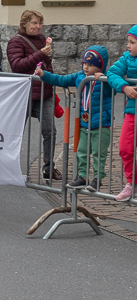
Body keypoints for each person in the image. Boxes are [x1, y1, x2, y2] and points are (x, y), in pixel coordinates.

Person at [35, 46, 111, 191]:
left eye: (91, 65)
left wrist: (103, 79)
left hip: (101, 124)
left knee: (98, 153)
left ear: (100, 66)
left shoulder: (106, 80)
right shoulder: (79, 76)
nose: (86, 67)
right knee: (81, 151)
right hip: (84, 123)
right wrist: (44, 74)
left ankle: (97, 179)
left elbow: (112, 91)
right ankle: (82, 177)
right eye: (84, 63)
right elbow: (61, 79)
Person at [6, 10, 59, 180]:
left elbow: (46, 65)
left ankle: (49, 168)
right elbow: (17, 65)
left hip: (44, 92)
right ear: (25, 24)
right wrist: (41, 53)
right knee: (16, 133)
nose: (38, 27)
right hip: (24, 94)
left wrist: (51, 80)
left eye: (40, 23)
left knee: (50, 131)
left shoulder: (43, 40)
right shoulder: (15, 42)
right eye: (34, 23)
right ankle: (8, 167)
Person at [107, 27, 137, 202]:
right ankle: (131, 184)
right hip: (132, 111)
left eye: (132, 43)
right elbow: (112, 73)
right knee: (125, 148)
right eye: (128, 42)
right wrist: (124, 87)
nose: (128, 46)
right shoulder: (127, 58)